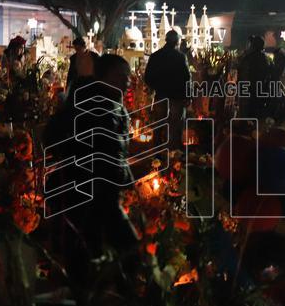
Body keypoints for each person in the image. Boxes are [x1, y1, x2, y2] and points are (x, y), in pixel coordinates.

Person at [44, 53, 138, 258]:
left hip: (104, 193)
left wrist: (127, 180)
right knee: (98, 251)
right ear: (106, 76)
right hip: (86, 192)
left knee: (104, 252)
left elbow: (116, 153)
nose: (128, 81)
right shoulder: (88, 104)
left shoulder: (116, 107)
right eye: (122, 76)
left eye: (128, 76)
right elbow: (54, 137)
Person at [143, 29, 191, 149]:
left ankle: (157, 152)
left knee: (159, 123)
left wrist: (156, 87)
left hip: (161, 94)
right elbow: (187, 77)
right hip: (177, 97)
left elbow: (147, 77)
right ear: (177, 42)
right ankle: (173, 153)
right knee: (175, 126)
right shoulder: (180, 57)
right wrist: (188, 95)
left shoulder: (155, 56)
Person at [236, 35, 270, 119]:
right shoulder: (266, 59)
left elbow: (243, 75)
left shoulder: (248, 58)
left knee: (247, 120)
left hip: (248, 95)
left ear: (253, 45)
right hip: (260, 94)